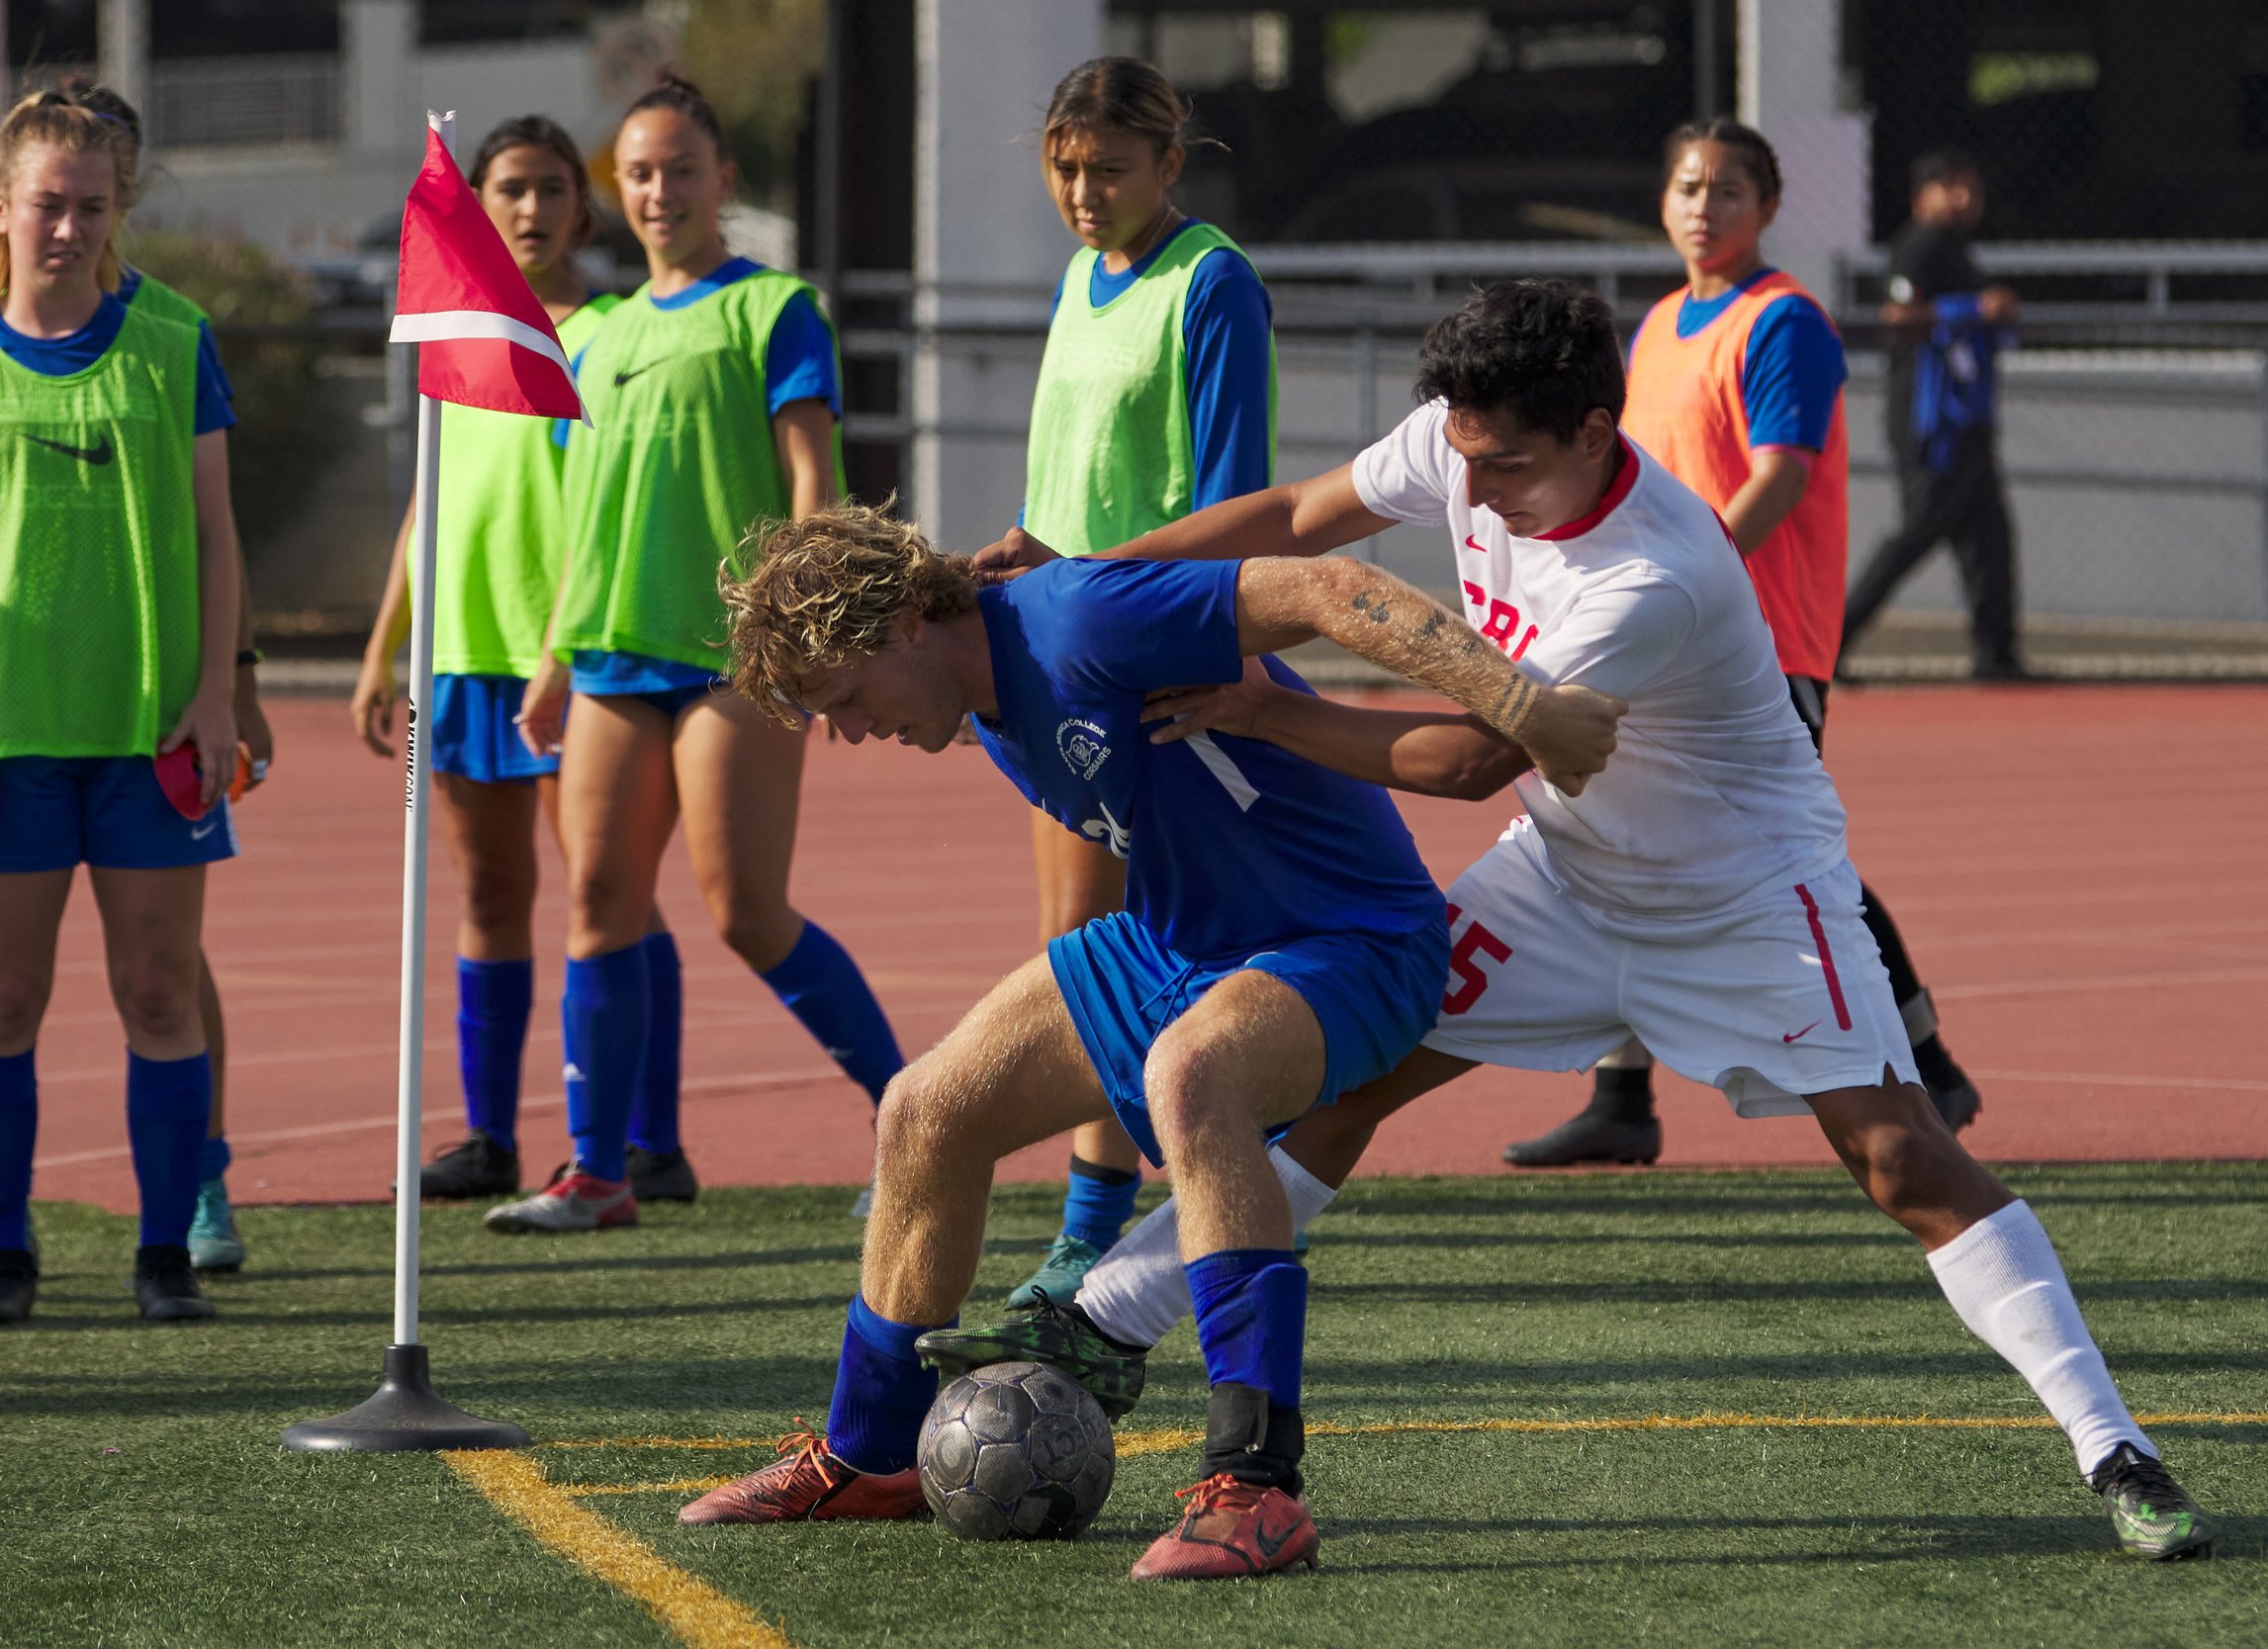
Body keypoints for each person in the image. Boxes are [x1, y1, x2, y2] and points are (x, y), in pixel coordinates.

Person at [925, 279, 2218, 1564]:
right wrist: (1102, 570)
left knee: (1904, 1162)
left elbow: (1474, 760)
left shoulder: (1652, 573)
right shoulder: (1466, 434)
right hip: (1560, 881)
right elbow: (1296, 517)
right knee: (1342, 1076)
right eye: (1466, 459)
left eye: (1510, 469)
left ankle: (2117, 1447)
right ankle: (1107, 1318)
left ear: (1598, 432)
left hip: (1745, 902)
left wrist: (1266, 710)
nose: (1473, 496)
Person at [677, 501, 1619, 1580]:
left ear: (900, 626)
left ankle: (1257, 1487)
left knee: (1192, 1070)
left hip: (1349, 941)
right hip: (1180, 940)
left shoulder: (1074, 617)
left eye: (846, 700)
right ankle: (869, 1452)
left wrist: (1518, 704)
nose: (851, 730)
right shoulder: (983, 676)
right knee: (924, 1108)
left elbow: (1325, 588)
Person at [1505, 118, 1980, 1168]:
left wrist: (1683, 581)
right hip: (1654, 640)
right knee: (1625, 834)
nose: (1702, 207)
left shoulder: (1784, 322)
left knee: (1784, 859)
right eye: (1685, 187)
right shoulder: (1662, 323)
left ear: (1766, 210)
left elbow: (1779, 475)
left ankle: (1926, 1060)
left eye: (1727, 190)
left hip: (1759, 645)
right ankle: (1621, 1094)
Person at [0, 79, 267, 1280]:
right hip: (1, 735)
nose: (68, 227)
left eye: (91, 206)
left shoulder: (174, 341)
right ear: (0, 209)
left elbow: (216, 531)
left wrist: (213, 692)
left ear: (117, 210)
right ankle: (2, 1250)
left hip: (148, 728)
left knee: (157, 990)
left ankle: (164, 1251)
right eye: (47, 203)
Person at [493, 76, 903, 1233]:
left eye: (681, 169)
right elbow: (589, 508)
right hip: (612, 657)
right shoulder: (605, 334)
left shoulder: (774, 309)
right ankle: (597, 1170)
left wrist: (813, 639)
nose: (659, 190)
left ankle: (911, 1110)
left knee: (744, 911)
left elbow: (814, 482)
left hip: (736, 663)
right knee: (598, 904)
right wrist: (559, 652)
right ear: (612, 195)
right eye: (638, 173)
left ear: (724, 181)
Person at [1005, 56, 1280, 1306]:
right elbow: (1066, 476)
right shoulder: (1080, 273)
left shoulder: (1210, 282)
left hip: (1139, 652)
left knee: (1107, 943)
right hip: (1055, 644)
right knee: (1090, 941)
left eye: (1107, 167)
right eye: (1063, 166)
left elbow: (1232, 505)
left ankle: (1096, 1223)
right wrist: (1017, 568)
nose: (1081, 189)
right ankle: (1127, 1203)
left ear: (1171, 162)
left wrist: (1093, 583)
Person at [347, 117, 644, 1204]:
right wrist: (385, 647)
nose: (529, 209)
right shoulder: (453, 329)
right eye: (509, 188)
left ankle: (622, 1139)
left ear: (582, 203)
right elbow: (428, 498)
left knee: (604, 893)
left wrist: (563, 640)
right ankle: (486, 1135)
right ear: (476, 199)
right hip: (457, 652)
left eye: (550, 188)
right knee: (487, 886)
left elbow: (606, 505)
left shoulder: (610, 328)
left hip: (558, 652)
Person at [1842, 150, 2025, 681]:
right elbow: (1898, 314)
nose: (1966, 199)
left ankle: (1998, 656)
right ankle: (1831, 646)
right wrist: (1970, 310)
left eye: (1972, 188)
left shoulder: (1960, 249)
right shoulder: (1918, 246)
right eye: (1953, 187)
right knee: (1918, 531)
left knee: (1989, 536)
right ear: (1924, 194)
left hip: (1967, 421)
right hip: (1929, 424)